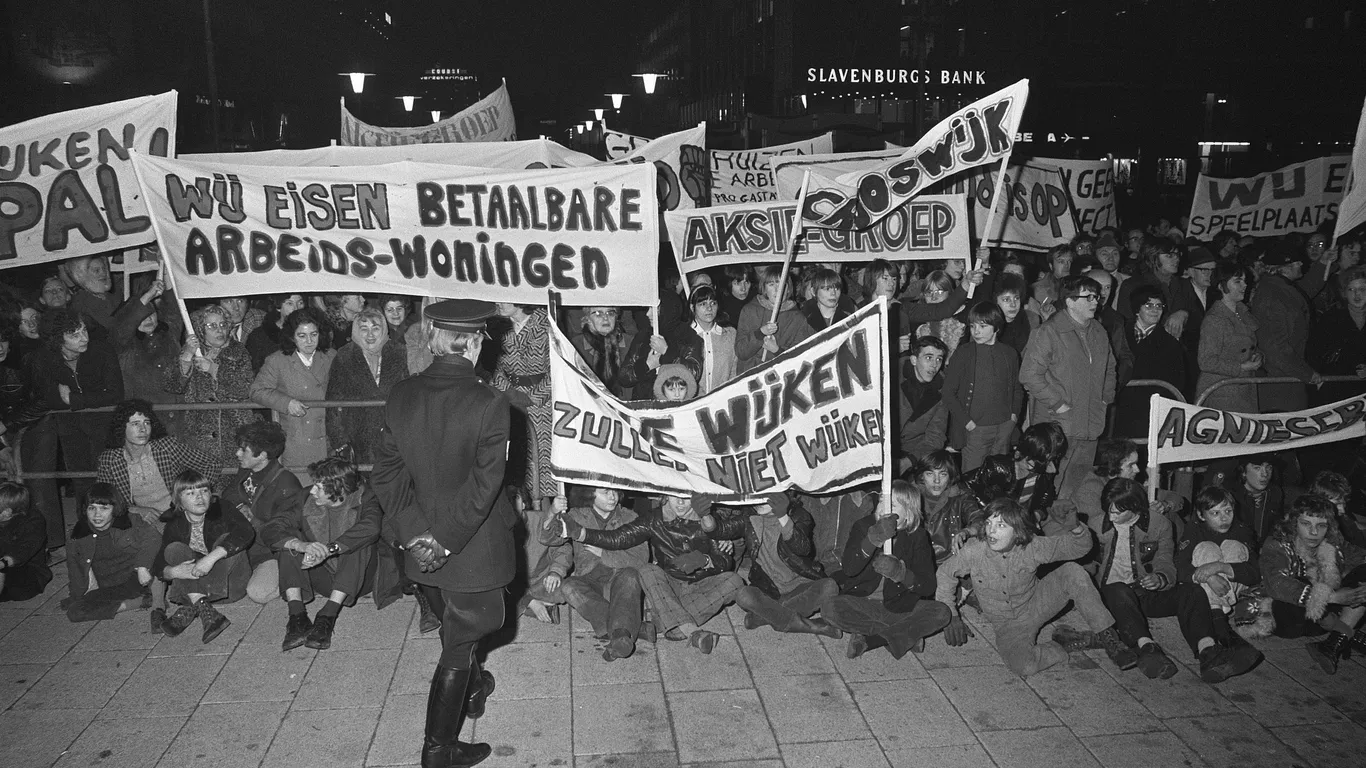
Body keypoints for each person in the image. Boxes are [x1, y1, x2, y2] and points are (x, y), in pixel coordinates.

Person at [371, 299, 518, 768]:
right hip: (472, 547)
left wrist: (417, 535)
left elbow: (387, 477)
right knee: (460, 641)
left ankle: (473, 690)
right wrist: (447, 539)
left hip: (419, 550)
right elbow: (485, 484)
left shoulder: (401, 394)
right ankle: (438, 750)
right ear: (475, 345)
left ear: (433, 340)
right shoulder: (490, 402)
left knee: (456, 624)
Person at [936, 498, 1136, 677]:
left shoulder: (1031, 546)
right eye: (989, 523)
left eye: (1001, 525)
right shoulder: (974, 550)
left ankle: (1110, 639)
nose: (991, 531)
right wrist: (950, 614)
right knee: (1023, 667)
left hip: (1037, 603)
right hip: (1007, 624)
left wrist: (1075, 528)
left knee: (1073, 572)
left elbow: (1078, 548)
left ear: (1018, 532)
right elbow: (945, 574)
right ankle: (1062, 644)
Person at [1091, 478, 1261, 682]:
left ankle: (1208, 652)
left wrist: (1160, 578)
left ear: (1134, 507)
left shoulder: (1158, 524)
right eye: (1109, 510)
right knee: (1116, 589)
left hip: (1146, 593)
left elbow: (1166, 561)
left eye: (1118, 512)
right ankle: (1147, 649)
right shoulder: (1096, 524)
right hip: (1114, 597)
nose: (1111, 516)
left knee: (1192, 591)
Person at [560, 492, 743, 655]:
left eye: (687, 498)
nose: (680, 502)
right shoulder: (654, 520)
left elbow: (725, 562)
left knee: (736, 581)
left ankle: (670, 625)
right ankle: (687, 630)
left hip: (700, 586)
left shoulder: (709, 521)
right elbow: (619, 538)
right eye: (674, 496)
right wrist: (582, 533)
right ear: (665, 496)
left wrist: (706, 560)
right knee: (648, 571)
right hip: (668, 586)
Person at [25, 307, 124, 550]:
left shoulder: (101, 350)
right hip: (70, 429)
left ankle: (118, 534)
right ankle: (90, 536)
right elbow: (48, 398)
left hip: (104, 426)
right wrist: (76, 400)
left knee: (110, 480)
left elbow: (115, 393)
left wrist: (76, 400)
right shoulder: (43, 359)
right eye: (75, 334)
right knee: (82, 482)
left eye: (84, 330)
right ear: (58, 338)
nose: (84, 338)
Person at [264, 457, 383, 651]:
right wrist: (300, 545)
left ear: (339, 489)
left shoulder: (366, 497)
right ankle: (297, 616)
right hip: (322, 575)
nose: (312, 491)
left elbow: (372, 526)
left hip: (358, 578)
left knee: (358, 541)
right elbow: (272, 527)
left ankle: (327, 616)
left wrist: (330, 549)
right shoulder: (305, 499)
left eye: (318, 487)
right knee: (290, 543)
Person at [826, 481, 952, 659]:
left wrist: (901, 574)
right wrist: (872, 540)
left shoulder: (918, 536)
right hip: (863, 601)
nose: (882, 508)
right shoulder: (864, 526)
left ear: (908, 512)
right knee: (830, 607)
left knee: (941, 613)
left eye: (891, 504)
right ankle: (904, 636)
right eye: (881, 501)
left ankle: (871, 640)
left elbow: (928, 586)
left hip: (900, 607)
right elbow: (849, 569)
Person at [1019, 275, 1116, 497]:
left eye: (1097, 297)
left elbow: (1111, 368)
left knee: (1075, 487)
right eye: (1088, 297)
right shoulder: (1049, 331)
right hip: (1057, 427)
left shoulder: (1099, 332)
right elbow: (1029, 375)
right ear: (1070, 301)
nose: (1095, 302)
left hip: (1090, 424)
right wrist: (1059, 404)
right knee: (1046, 488)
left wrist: (1105, 398)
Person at [535, 486, 648, 661]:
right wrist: (552, 512)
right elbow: (547, 538)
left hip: (619, 580)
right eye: (605, 492)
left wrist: (604, 553)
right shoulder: (577, 516)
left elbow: (642, 558)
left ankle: (620, 635)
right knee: (569, 586)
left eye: (615, 492)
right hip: (589, 579)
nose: (612, 497)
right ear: (589, 494)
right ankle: (625, 629)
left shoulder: (629, 517)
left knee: (631, 577)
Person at [1260, 494, 1366, 673]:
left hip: (1321, 620)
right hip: (1287, 618)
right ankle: (1346, 632)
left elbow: (1359, 556)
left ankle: (1332, 643)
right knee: (1300, 581)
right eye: (1306, 524)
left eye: (1321, 526)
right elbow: (1277, 585)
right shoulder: (1276, 544)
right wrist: (1332, 597)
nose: (1314, 532)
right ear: (1294, 523)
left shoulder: (1333, 543)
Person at [154, 469, 255, 643]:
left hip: (230, 587)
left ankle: (192, 605)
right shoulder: (175, 522)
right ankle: (205, 609)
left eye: (204, 491)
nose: (199, 497)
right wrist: (173, 572)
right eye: (191, 493)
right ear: (179, 501)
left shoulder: (222, 507)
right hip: (201, 586)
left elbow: (246, 532)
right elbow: (158, 562)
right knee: (173, 549)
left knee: (225, 540)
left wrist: (211, 559)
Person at [726, 492, 842, 640]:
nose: (759, 500)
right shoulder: (749, 517)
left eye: (766, 495)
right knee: (744, 595)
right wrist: (706, 517)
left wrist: (782, 517)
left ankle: (764, 617)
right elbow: (722, 529)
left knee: (830, 586)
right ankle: (812, 626)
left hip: (800, 587)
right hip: (769, 591)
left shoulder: (799, 515)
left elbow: (802, 548)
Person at [218, 421, 305, 605]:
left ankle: (288, 578)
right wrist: (241, 505)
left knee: (257, 593)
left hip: (268, 553)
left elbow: (286, 531)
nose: (237, 454)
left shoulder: (286, 483)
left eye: (244, 450)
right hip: (243, 547)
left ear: (263, 455)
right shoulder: (246, 470)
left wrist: (253, 520)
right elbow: (229, 494)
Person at [163, 304, 259, 469]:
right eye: (212, 326)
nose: (219, 330)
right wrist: (186, 355)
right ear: (201, 329)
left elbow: (246, 387)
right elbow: (173, 386)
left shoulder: (239, 352)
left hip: (234, 433)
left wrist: (214, 369)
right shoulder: (191, 352)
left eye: (223, 324)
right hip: (198, 436)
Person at [251, 305, 337, 474]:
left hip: (327, 440)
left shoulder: (331, 356)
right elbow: (256, 391)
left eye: (314, 334)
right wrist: (286, 402)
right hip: (296, 441)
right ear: (292, 337)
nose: (309, 341)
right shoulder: (277, 361)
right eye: (302, 336)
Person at [1177, 486, 1269, 640]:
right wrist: (1209, 577)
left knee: (1233, 546)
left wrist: (1221, 567)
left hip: (1235, 588)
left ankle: (1216, 616)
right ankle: (1218, 617)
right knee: (1206, 547)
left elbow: (1255, 572)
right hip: (1204, 588)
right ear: (1201, 515)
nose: (1224, 518)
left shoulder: (1242, 530)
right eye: (1215, 513)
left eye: (1228, 511)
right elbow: (1179, 566)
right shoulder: (1194, 530)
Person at [941, 301, 1021, 472]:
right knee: (972, 478)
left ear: (996, 327)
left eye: (982, 326)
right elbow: (948, 392)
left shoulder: (1009, 353)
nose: (976, 331)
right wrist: (967, 423)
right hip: (975, 430)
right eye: (972, 326)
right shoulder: (964, 353)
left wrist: (1013, 417)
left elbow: (1017, 389)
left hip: (1004, 428)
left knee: (998, 478)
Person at [62, 483, 159, 622]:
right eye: (92, 508)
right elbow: (75, 570)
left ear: (114, 509)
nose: (97, 515)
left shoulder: (129, 521)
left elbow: (153, 537)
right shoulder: (78, 535)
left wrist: (142, 567)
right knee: (75, 612)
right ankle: (135, 603)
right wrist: (76, 597)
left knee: (158, 558)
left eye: (104, 508)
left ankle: (147, 596)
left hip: (136, 578)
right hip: (109, 587)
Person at [326, 308, 409, 466]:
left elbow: (409, 395)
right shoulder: (344, 356)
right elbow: (333, 403)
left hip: (394, 437)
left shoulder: (399, 352)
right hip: (358, 438)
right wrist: (340, 442)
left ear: (384, 329)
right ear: (356, 331)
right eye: (364, 329)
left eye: (375, 328)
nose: (370, 335)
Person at [1253, 243, 1321, 412]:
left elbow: (1307, 289)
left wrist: (1325, 265)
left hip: (1287, 379)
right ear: (1284, 267)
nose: (1301, 265)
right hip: (1279, 385)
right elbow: (1275, 346)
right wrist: (1307, 373)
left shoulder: (1279, 289)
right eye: (1297, 262)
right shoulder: (1272, 294)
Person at [1114, 285, 1187, 436]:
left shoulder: (1171, 343)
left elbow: (1177, 382)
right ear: (1136, 309)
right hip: (1120, 407)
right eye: (1149, 305)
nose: (1155, 310)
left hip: (1151, 410)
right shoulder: (1119, 333)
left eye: (1159, 306)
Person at [113, 280, 183, 436]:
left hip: (177, 420)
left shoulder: (169, 334)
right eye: (141, 316)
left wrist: (168, 273)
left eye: (151, 314)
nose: (148, 319)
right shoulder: (125, 346)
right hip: (145, 422)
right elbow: (123, 325)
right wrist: (149, 294)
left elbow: (173, 308)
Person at [1196, 261, 1261, 412]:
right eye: (1237, 281)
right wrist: (1241, 367)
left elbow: (1249, 347)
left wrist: (1257, 356)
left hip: (1242, 389)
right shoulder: (1215, 319)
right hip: (1222, 394)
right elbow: (1206, 361)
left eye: (1245, 281)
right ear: (1221, 286)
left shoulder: (1242, 313)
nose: (1244, 285)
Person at [736, 264, 815, 374]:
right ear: (764, 288)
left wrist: (776, 350)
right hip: (749, 380)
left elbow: (799, 362)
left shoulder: (798, 319)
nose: (778, 290)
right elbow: (741, 352)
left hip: (777, 382)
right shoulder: (749, 310)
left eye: (782, 284)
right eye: (771, 284)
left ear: (788, 289)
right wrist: (760, 333)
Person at [671, 285, 735, 395]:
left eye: (713, 303)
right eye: (702, 304)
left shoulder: (730, 334)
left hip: (722, 400)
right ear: (692, 307)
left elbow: (734, 371)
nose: (709, 308)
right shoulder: (681, 336)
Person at [898, 336, 948, 467]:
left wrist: (908, 461)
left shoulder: (943, 390)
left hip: (913, 454)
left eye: (939, 359)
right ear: (914, 360)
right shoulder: (890, 373)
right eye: (928, 357)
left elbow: (935, 438)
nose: (934, 365)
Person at [571, 306, 639, 399]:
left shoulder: (632, 343)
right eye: (598, 314)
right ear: (587, 319)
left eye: (610, 313)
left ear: (616, 317)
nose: (605, 318)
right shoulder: (575, 345)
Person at [0, 482, 52, 602]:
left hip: (27, 572)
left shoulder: (33, 521)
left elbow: (22, 552)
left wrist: (2, 563)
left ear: (7, 512)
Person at [246, 293, 307, 371]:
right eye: (290, 303)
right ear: (278, 307)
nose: (296, 308)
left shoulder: (311, 333)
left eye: (300, 303)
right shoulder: (260, 336)